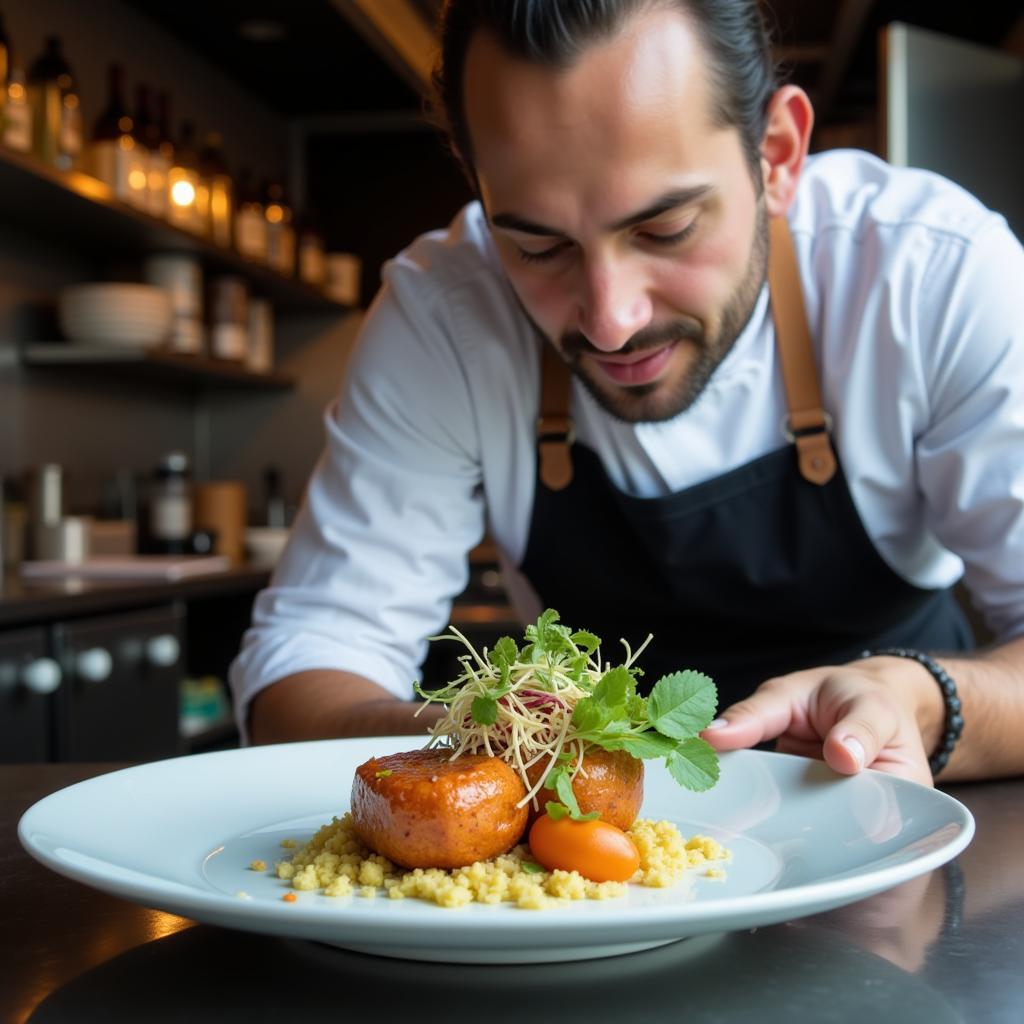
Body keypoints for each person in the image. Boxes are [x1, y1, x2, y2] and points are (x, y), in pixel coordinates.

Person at [230, 0, 1024, 787]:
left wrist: (922, 703)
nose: (611, 322)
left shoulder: (931, 272)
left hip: (892, 814)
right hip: (600, 864)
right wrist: (492, 739)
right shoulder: (444, 314)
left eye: (667, 229)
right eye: (539, 246)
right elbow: (307, 663)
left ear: (776, 156)